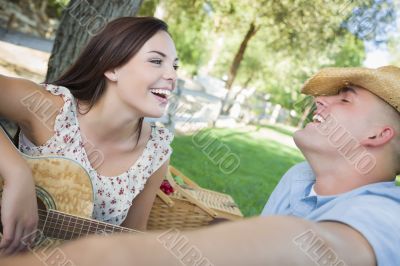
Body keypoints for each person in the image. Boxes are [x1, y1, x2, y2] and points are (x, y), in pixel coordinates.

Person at [1, 65, 399, 265]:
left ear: (379, 135)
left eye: (344, 99)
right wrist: (17, 170)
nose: (321, 101)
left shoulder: (386, 215)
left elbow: (312, 246)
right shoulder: (299, 178)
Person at [0, 16, 178, 255]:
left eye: (175, 66)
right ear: (112, 68)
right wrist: (16, 173)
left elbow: (132, 237)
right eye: (156, 61)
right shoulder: (52, 110)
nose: (172, 76)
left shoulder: (155, 152)